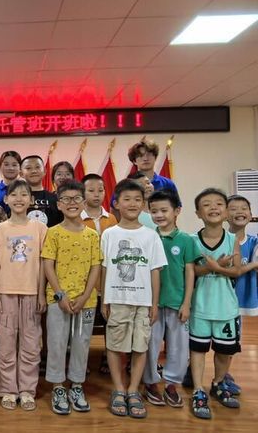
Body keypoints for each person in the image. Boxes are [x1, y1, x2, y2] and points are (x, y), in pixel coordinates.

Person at [101, 179, 167, 419]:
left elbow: (155, 271)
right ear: (116, 203)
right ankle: (119, 389)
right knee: (114, 345)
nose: (132, 203)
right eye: (126, 199)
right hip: (117, 298)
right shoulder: (109, 234)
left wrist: (154, 303)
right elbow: (105, 268)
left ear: (144, 204)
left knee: (141, 346)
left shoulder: (151, 236)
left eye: (137, 199)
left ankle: (133, 390)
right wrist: (104, 300)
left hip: (143, 301)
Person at [42, 180, 101, 415]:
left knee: (81, 343)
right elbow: (48, 265)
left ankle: (76, 386)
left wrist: (85, 296)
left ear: (84, 203)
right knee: (56, 342)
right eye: (66, 199)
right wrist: (60, 295)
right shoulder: (53, 233)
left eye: (76, 199)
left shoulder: (92, 235)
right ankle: (58, 387)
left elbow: (96, 267)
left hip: (86, 301)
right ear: (59, 204)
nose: (72, 203)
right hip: (58, 300)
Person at [0, 180, 47, 411]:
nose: (19, 199)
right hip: (6, 292)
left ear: (31, 200)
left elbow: (43, 264)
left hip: (32, 293)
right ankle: (8, 390)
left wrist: (41, 293)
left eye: (24, 194)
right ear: (6, 199)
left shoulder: (40, 229)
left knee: (31, 344)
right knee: (5, 344)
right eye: (14, 195)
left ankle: (27, 390)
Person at [142, 190, 200, 408]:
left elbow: (190, 272)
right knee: (150, 344)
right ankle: (150, 382)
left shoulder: (186, 240)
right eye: (154, 211)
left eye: (164, 210)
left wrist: (186, 303)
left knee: (178, 347)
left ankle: (172, 384)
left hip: (177, 303)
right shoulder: (149, 237)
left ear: (177, 211)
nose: (159, 215)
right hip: (152, 303)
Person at [189, 188, 242, 419]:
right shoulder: (192, 240)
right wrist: (214, 267)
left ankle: (219, 383)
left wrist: (216, 268)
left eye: (219, 203)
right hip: (199, 307)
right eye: (207, 204)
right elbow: (190, 271)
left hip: (226, 307)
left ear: (226, 211)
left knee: (224, 351)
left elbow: (237, 271)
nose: (213, 207)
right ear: (198, 213)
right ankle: (198, 390)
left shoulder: (232, 240)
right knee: (198, 350)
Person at [80, 173, 118, 374]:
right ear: (83, 193)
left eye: (100, 190)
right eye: (91, 190)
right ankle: (81, 360)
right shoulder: (77, 217)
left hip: (107, 279)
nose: (96, 194)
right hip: (85, 279)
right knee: (85, 324)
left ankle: (107, 356)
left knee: (108, 321)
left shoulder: (111, 218)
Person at [225, 195, 258, 394]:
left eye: (244, 208)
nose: (239, 212)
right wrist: (252, 264)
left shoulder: (254, 242)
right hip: (217, 300)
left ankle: (223, 375)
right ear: (225, 215)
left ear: (251, 214)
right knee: (203, 340)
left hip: (236, 304)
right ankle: (190, 372)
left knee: (231, 342)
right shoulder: (220, 240)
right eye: (233, 208)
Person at [20, 155, 63, 227]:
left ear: (45, 171)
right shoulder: (16, 200)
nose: (34, 171)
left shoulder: (56, 199)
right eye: (28, 168)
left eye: (37, 167)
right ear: (21, 174)